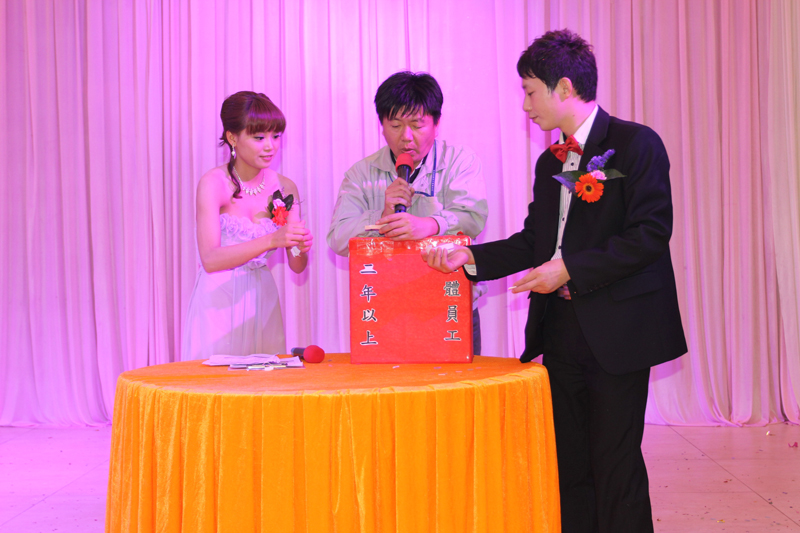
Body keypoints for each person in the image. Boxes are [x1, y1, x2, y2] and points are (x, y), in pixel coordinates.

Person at [422, 30, 687, 533]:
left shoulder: (637, 144)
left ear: (563, 87)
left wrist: (569, 269)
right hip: (561, 330)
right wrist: (468, 257)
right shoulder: (550, 161)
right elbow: (535, 241)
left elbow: (650, 234)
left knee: (616, 465)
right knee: (569, 464)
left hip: (619, 331)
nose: (525, 106)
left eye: (529, 92)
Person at [327, 71, 488, 353]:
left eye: (417, 124)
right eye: (395, 125)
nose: (406, 137)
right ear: (381, 126)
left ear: (436, 124)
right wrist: (381, 216)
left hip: (450, 304)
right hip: (387, 312)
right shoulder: (361, 174)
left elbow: (473, 217)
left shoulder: (460, 162)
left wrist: (430, 225)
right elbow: (338, 239)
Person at [182, 91, 313, 361]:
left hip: (262, 299)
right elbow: (210, 259)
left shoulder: (285, 187)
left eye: (275, 136)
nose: (270, 146)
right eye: (259, 137)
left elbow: (297, 266)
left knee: (264, 379)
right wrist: (272, 239)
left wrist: (298, 246)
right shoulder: (214, 183)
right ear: (232, 137)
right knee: (215, 380)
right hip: (218, 300)